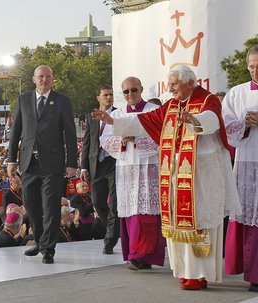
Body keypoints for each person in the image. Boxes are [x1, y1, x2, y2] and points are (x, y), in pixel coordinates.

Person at [92, 65, 241, 290]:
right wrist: (114, 122)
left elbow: (212, 119)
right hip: (176, 173)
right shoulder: (171, 105)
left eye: (174, 84)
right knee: (178, 221)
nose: (169, 88)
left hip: (201, 174)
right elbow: (145, 121)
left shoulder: (207, 99)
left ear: (190, 83)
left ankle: (200, 273)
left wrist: (195, 119)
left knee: (199, 220)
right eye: (169, 83)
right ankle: (185, 270)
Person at [7, 65, 78, 264]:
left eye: (48, 77)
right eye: (41, 76)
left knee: (51, 207)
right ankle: (39, 240)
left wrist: (71, 162)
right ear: (34, 79)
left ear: (53, 79)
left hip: (53, 164)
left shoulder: (62, 101)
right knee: (31, 206)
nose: (44, 80)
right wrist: (11, 160)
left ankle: (48, 249)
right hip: (29, 163)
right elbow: (16, 132)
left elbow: (70, 133)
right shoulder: (23, 99)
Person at [100, 77, 165, 271]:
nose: (130, 94)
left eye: (134, 90)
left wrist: (136, 136)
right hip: (126, 168)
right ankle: (135, 255)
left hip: (148, 167)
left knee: (146, 214)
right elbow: (105, 140)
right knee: (131, 214)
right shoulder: (117, 114)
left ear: (141, 89)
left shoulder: (153, 111)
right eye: (126, 91)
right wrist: (121, 139)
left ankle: (141, 255)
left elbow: (161, 136)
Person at [222, 44, 258, 292]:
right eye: (252, 66)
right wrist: (243, 124)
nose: (256, 70)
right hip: (246, 162)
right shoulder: (237, 93)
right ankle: (253, 274)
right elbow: (224, 125)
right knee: (248, 215)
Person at [80, 84, 120, 254]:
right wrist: (83, 167)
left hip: (114, 163)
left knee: (114, 205)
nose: (109, 98)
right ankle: (114, 231)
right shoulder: (91, 117)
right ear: (98, 98)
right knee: (97, 202)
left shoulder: (119, 113)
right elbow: (87, 143)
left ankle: (109, 240)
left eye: (111, 95)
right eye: (105, 95)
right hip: (96, 164)